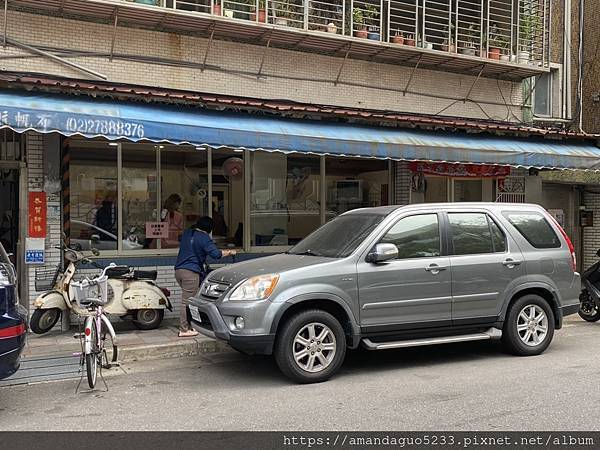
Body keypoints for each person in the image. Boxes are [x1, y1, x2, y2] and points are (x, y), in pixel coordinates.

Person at [174, 216, 236, 337]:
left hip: (179, 271)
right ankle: (184, 329)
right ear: (209, 229)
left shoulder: (188, 233)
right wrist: (230, 252)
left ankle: (193, 325)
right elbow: (216, 254)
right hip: (190, 273)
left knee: (192, 300)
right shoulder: (203, 238)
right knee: (186, 301)